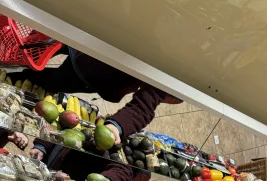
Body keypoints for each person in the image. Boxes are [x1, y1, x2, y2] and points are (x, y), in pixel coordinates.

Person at [18, 48, 181, 147]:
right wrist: (117, 126)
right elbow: (143, 107)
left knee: (39, 68)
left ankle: (17, 72)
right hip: (92, 69)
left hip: (89, 49)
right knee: (45, 81)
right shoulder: (170, 74)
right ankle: (15, 78)